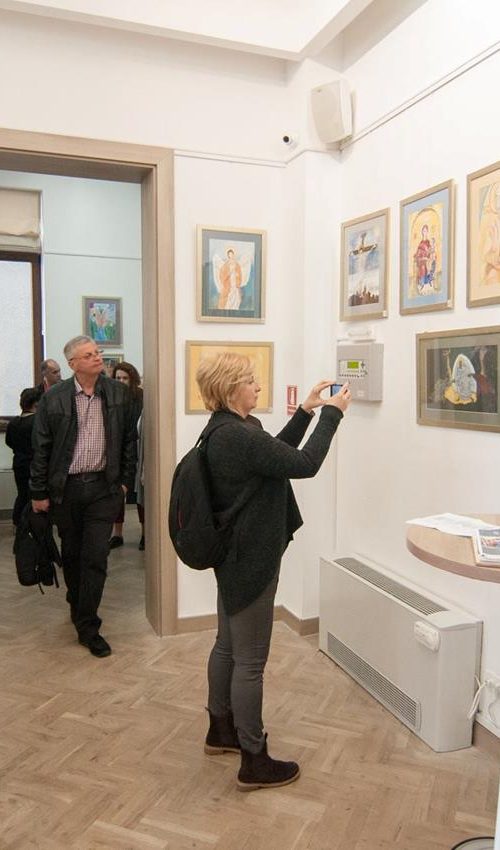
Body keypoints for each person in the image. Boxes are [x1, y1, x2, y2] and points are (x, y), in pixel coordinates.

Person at [195, 352, 351, 791]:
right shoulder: (237, 435)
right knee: (250, 661)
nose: (258, 386)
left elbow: (274, 457)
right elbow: (304, 464)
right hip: (251, 559)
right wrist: (333, 415)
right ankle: (253, 758)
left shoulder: (228, 429)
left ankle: (220, 730)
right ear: (231, 388)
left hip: (235, 554)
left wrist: (306, 411)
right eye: (250, 381)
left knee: (227, 646)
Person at [30, 336, 137, 658]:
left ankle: (88, 626)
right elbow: (41, 447)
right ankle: (78, 603)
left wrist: (125, 484)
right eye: (88, 355)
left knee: (95, 558)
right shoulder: (55, 398)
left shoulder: (117, 393)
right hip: (67, 490)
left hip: (104, 490)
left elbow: (128, 440)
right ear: (73, 364)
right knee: (73, 555)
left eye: (97, 353)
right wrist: (38, 492)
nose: (97, 358)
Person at [108, 361, 144, 550]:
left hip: (139, 447)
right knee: (117, 493)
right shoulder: (111, 397)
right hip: (118, 450)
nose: (121, 381)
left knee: (140, 492)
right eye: (118, 378)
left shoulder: (141, 397)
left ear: (132, 379)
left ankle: (145, 533)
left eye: (125, 378)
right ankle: (117, 533)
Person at [5, 387, 42, 526]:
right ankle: (33, 526)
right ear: (36, 403)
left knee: (22, 494)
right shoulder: (37, 421)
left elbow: (9, 442)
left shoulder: (13, 422)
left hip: (19, 463)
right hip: (35, 465)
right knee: (35, 496)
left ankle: (18, 523)